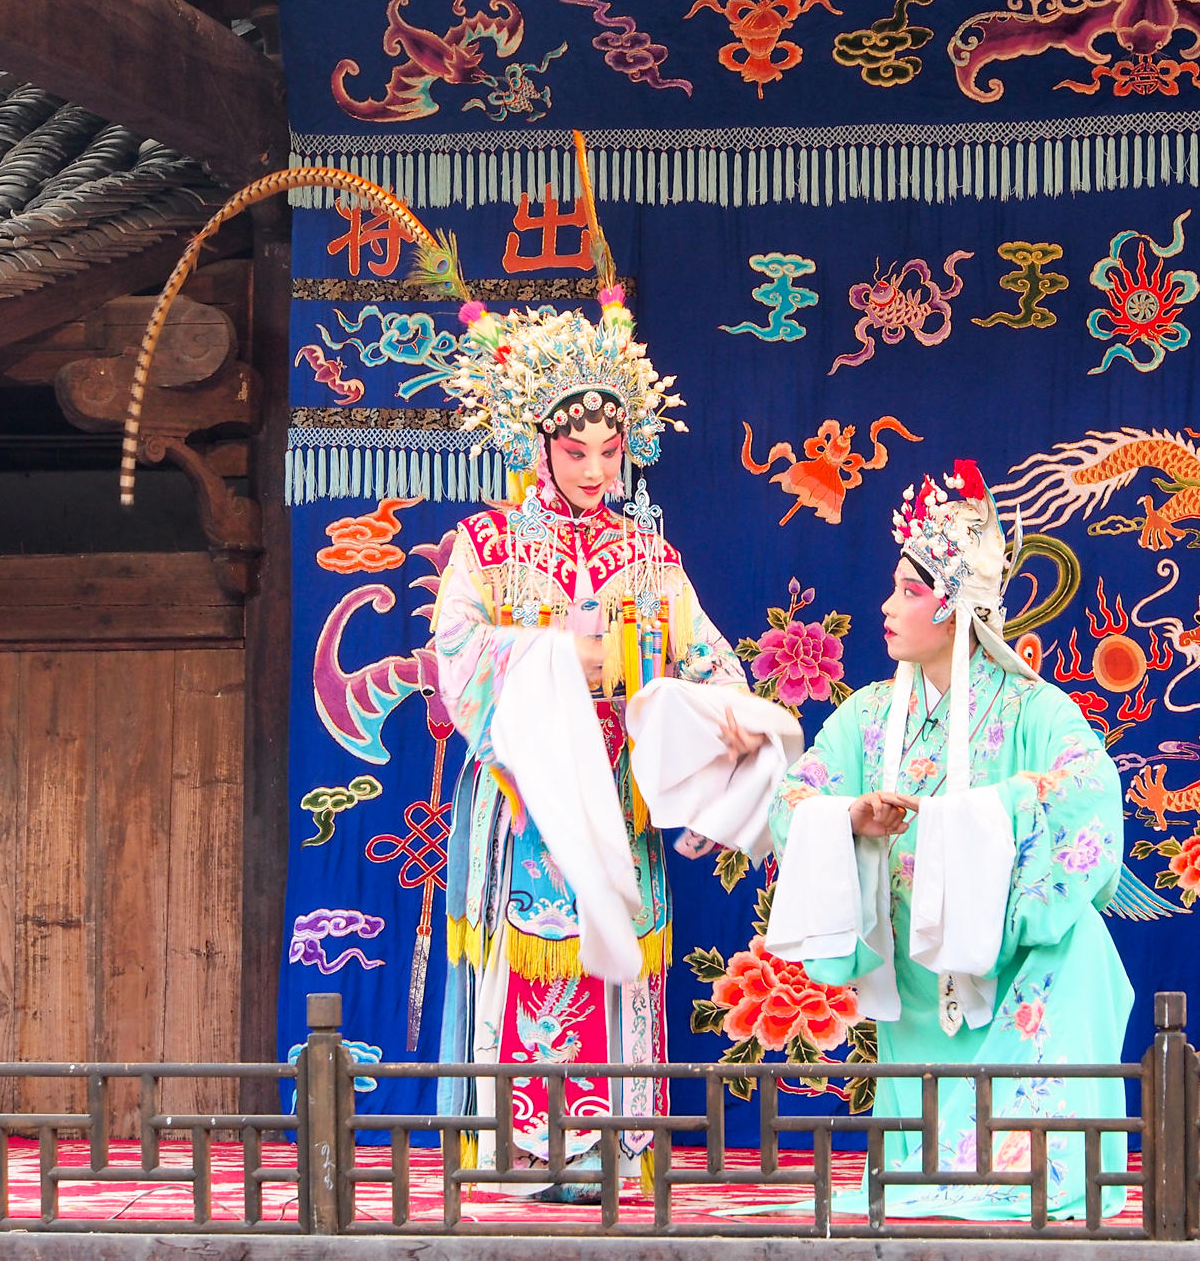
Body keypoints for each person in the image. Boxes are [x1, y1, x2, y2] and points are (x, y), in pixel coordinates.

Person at [432, 291, 763, 1195]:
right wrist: (557, 658)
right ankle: (519, 1145)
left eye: (610, 451)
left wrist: (725, 714)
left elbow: (708, 658)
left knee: (617, 962)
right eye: (575, 450)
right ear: (535, 442)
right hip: (528, 794)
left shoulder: (649, 553)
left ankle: (610, 1143)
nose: (593, 469)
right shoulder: (487, 544)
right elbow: (455, 655)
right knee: (527, 954)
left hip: (620, 791)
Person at [763, 460, 1133, 1221]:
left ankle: (1030, 1159)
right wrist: (850, 817)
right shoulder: (868, 717)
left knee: (1083, 942)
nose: (886, 606)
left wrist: (988, 811)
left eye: (910, 590)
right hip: (916, 969)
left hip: (1003, 958)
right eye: (895, 587)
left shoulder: (1032, 707)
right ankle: (939, 1163)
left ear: (957, 606)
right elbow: (791, 797)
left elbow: (1089, 788)